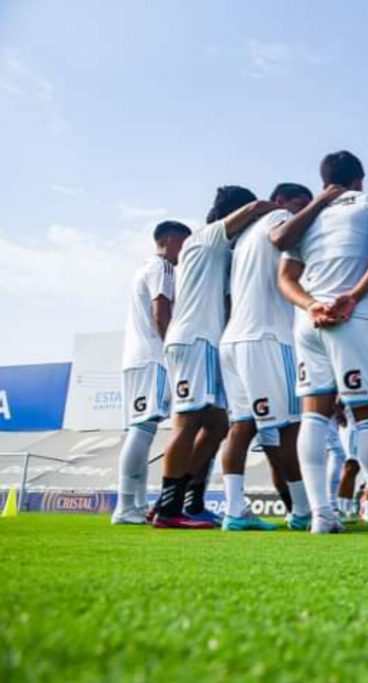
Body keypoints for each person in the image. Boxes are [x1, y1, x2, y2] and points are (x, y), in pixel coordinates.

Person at [276, 151, 368, 534]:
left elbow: (285, 278)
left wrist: (311, 305)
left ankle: (321, 516)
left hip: (309, 322)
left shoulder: (308, 216)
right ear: (359, 178)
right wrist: (353, 296)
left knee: (314, 416)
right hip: (352, 319)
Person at [155, 188, 275, 529]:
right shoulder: (206, 237)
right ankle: (168, 510)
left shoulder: (220, 253)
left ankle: (189, 502)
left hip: (204, 342)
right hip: (196, 340)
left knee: (217, 425)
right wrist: (282, 212)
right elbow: (255, 206)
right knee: (188, 422)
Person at [218, 183, 314, 532]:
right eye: (301, 205)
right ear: (281, 202)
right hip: (267, 338)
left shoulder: (243, 238)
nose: (305, 213)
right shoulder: (279, 217)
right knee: (290, 426)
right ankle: (302, 512)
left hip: (234, 340)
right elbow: (283, 236)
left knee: (241, 427)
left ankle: (234, 510)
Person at [112, 220, 191, 525]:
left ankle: (134, 504)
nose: (184, 252)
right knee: (142, 430)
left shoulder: (143, 268)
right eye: (183, 244)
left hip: (136, 358)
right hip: (153, 357)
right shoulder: (163, 268)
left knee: (142, 430)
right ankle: (125, 506)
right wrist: (172, 350)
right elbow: (161, 311)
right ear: (170, 240)